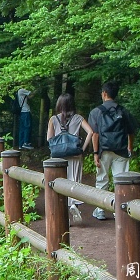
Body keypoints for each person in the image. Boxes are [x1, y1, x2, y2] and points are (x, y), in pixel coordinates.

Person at [88, 81, 139, 220]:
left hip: (103, 150)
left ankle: (100, 210)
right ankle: (119, 210)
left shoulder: (96, 112)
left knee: (102, 179)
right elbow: (131, 131)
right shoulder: (123, 111)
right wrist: (129, 147)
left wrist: (95, 153)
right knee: (121, 180)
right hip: (121, 150)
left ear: (104, 93)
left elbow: (95, 134)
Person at [46, 92, 94, 224]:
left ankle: (63, 215)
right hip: (75, 154)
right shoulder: (78, 118)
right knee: (74, 181)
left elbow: (49, 139)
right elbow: (91, 132)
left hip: (58, 157)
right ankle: (74, 205)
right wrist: (82, 149)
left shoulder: (53, 119)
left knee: (61, 182)